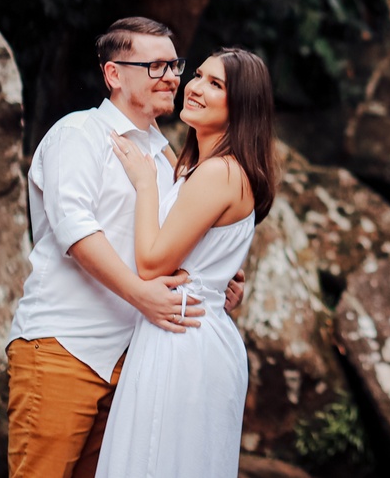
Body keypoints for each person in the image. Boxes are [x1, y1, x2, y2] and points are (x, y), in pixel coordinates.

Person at [6, 17, 244, 478]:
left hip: (133, 364)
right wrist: (141, 295)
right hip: (65, 347)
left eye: (174, 65)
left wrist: (215, 282)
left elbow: (172, 243)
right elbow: (76, 231)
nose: (171, 77)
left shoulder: (168, 159)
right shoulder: (80, 133)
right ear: (113, 74)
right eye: (155, 66)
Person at [96, 47, 279, 478]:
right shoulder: (205, 167)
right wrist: (216, 278)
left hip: (183, 337)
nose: (194, 87)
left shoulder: (220, 173)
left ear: (242, 106)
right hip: (185, 328)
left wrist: (145, 184)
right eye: (198, 75)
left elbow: (152, 264)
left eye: (215, 84)